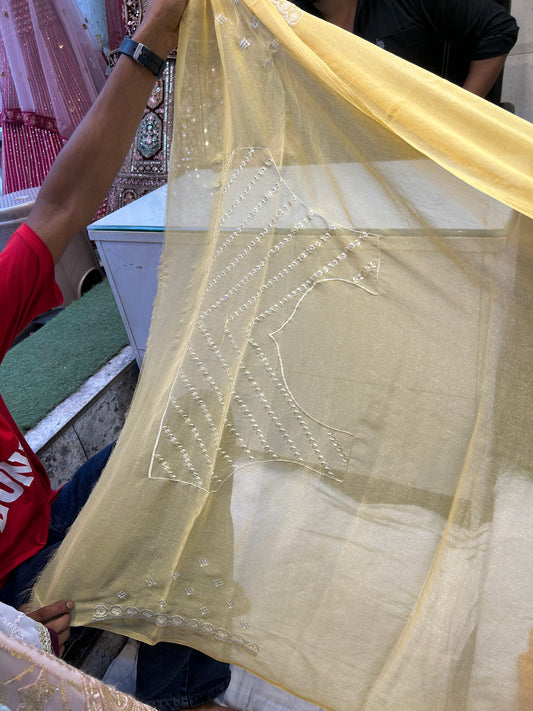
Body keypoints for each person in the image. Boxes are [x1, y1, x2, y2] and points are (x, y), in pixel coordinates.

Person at [0, 0, 234, 707]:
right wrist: (9, 633)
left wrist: (151, 38)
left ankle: (187, 691)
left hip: (48, 535)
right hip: (16, 601)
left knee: (190, 441)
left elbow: (62, 204)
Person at [293, 0, 519, 99]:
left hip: (424, 145)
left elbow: (497, 27)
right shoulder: (288, 19)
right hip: (345, 154)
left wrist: (465, 111)